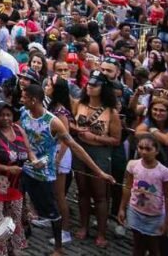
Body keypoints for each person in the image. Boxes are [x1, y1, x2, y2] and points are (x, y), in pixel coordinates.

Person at [19, 83, 115, 256]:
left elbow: (75, 146)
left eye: (24, 97)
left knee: (53, 211)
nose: (21, 99)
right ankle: (23, 232)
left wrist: (99, 172)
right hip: (26, 169)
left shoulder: (53, 122)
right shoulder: (23, 113)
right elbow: (21, 133)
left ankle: (58, 248)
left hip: (45, 174)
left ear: (33, 100)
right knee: (21, 203)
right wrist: (29, 155)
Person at [72, 70, 123, 246]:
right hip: (80, 149)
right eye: (89, 84)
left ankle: (101, 232)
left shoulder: (111, 112)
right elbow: (70, 121)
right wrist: (76, 129)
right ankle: (83, 226)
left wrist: (95, 138)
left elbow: (116, 139)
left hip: (100, 152)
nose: (90, 87)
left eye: (95, 85)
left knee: (100, 194)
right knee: (82, 190)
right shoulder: (79, 103)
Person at [0, 99, 33, 256]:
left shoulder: (18, 129)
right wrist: (7, 168)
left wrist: (34, 160)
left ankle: (10, 249)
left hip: (15, 184)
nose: (6, 118)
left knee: (14, 217)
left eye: (8, 115)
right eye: (2, 115)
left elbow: (28, 150)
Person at [118, 133, 168, 256]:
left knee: (153, 247)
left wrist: (167, 221)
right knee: (138, 245)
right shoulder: (133, 165)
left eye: (148, 149)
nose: (143, 152)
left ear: (156, 150)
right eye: (140, 148)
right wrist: (122, 207)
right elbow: (128, 186)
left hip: (155, 215)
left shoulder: (164, 172)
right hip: (135, 210)